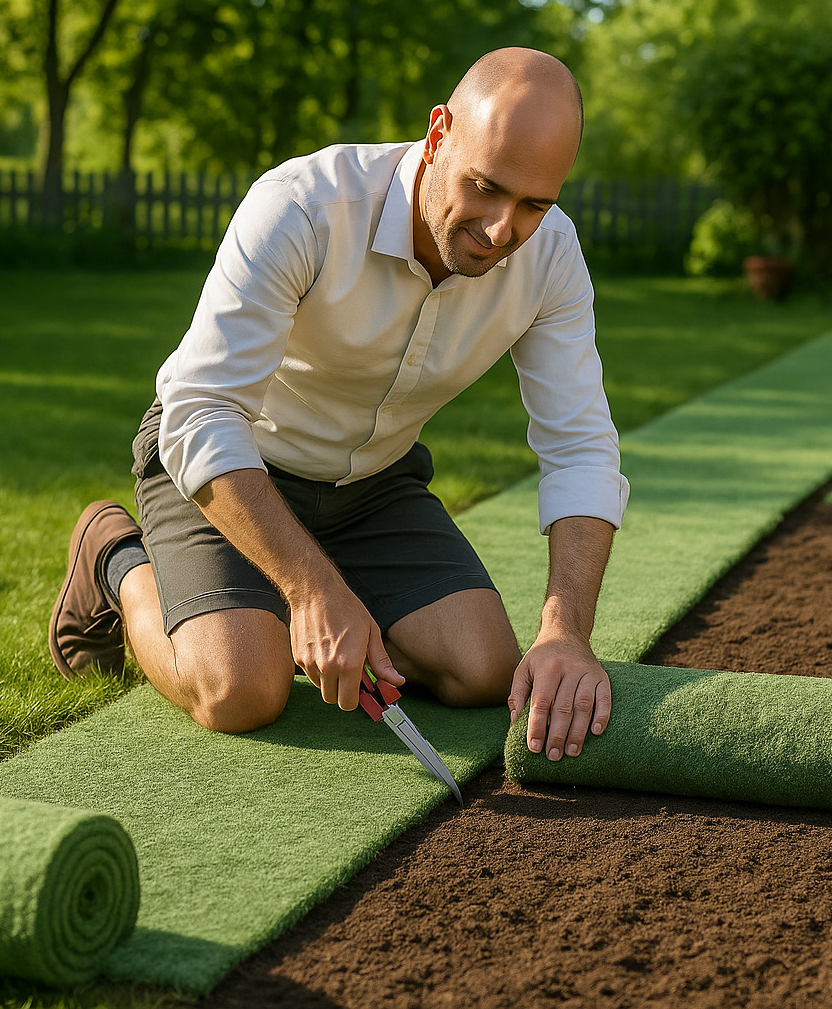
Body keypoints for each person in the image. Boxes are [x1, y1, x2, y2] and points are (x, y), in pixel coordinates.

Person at [49, 47, 629, 764]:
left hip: (373, 488)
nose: (502, 229)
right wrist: (310, 589)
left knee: (481, 669)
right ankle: (114, 555)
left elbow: (580, 449)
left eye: (535, 204)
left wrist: (565, 631)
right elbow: (199, 411)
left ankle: (316, 590)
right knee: (241, 691)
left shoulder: (553, 258)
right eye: (485, 187)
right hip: (235, 470)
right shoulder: (303, 206)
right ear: (440, 132)